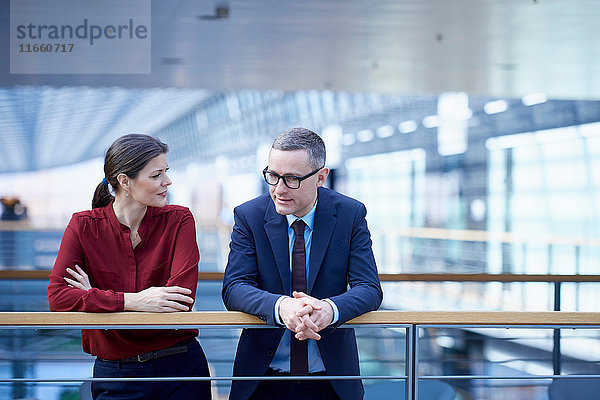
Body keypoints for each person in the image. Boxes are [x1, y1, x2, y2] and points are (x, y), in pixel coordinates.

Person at [222, 127, 383, 400]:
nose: (279, 189)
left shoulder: (350, 214)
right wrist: (282, 307)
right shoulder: (249, 216)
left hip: (331, 378)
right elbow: (234, 287)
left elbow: (369, 288)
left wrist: (329, 310)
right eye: (273, 176)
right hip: (262, 377)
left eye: (292, 179)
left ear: (321, 177)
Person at [48, 134, 211, 400]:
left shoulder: (179, 220)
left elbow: (178, 301)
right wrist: (135, 300)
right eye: (156, 175)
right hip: (116, 374)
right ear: (125, 181)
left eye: (165, 172)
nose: (167, 181)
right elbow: (57, 298)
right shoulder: (83, 226)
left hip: (181, 368)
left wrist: (94, 297)